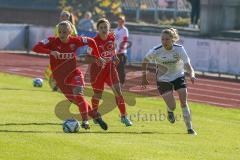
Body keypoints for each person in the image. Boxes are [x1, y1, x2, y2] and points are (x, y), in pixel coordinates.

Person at [32, 21, 108, 130]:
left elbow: (91, 41)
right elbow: (36, 48)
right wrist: (50, 51)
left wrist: (98, 56)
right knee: (77, 101)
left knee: (79, 95)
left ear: (70, 32)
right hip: (61, 79)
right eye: (60, 32)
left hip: (74, 74)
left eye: (64, 32)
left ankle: (85, 121)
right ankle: (96, 116)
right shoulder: (52, 41)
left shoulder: (75, 41)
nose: (61, 34)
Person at [141, 28, 197, 135]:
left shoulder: (179, 49)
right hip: (163, 79)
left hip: (178, 76)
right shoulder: (156, 50)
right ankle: (170, 111)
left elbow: (187, 64)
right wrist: (144, 78)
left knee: (183, 101)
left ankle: (190, 128)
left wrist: (192, 74)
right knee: (172, 106)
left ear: (172, 40)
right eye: (162, 39)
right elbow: (144, 62)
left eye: (167, 39)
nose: (164, 42)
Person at [90, 18, 132, 127]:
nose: (104, 29)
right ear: (98, 29)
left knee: (118, 91)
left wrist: (114, 57)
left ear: (109, 28)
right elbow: (87, 58)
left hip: (110, 69)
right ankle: (95, 114)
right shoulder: (93, 41)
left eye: (106, 27)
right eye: (101, 28)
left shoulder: (112, 37)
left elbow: (112, 50)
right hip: (97, 72)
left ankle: (124, 116)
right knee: (97, 94)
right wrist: (97, 60)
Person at [45, 10, 78, 92]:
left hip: (68, 51)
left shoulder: (72, 27)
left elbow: (76, 37)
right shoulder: (57, 26)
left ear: (68, 17)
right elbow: (55, 38)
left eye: (65, 16)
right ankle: (56, 84)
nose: (63, 18)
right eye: (62, 16)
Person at [114, 15, 129, 86]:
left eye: (122, 21)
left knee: (121, 68)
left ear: (124, 22)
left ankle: (122, 82)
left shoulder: (125, 30)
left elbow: (125, 40)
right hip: (115, 52)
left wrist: (121, 48)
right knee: (115, 68)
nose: (120, 22)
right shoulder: (115, 30)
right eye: (119, 21)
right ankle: (116, 82)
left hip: (122, 52)